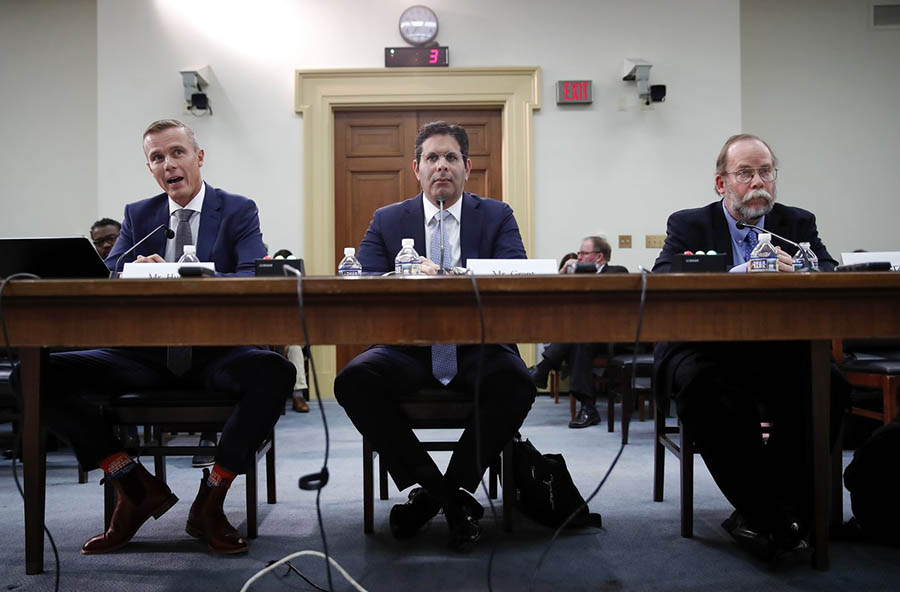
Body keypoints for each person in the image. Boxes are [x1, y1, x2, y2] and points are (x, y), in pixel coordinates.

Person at [30, 119, 295, 556]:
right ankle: (132, 484)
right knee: (34, 372)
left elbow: (250, 274)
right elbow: (110, 277)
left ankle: (211, 499)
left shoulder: (237, 209)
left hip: (215, 355)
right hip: (144, 356)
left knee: (275, 372)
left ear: (199, 157)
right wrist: (137, 271)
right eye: (157, 158)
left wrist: (183, 274)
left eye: (177, 152)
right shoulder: (140, 214)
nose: (168, 164)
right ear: (150, 169)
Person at [333, 121, 536, 551]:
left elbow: (512, 276)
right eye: (431, 158)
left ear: (467, 167)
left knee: (518, 382)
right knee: (354, 379)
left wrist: (447, 275)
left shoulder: (497, 215)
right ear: (416, 168)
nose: (441, 166)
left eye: (450, 158)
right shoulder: (387, 220)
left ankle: (436, 496)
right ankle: (445, 495)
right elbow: (364, 282)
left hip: (477, 347)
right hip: (406, 348)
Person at [652, 133, 848, 564]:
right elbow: (666, 277)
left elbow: (829, 271)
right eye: (745, 173)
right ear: (722, 184)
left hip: (776, 349)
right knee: (708, 392)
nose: (758, 182)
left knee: (829, 384)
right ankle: (773, 518)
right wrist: (740, 271)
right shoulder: (689, 224)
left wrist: (800, 269)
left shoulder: (797, 222)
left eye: (765, 172)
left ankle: (767, 512)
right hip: (704, 349)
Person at [530, 237, 628, 428]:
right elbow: (550, 296)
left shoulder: (616, 271)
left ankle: (543, 368)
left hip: (612, 338)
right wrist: (563, 273)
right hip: (585, 338)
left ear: (599, 257)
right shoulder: (576, 276)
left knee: (579, 334)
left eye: (584, 253)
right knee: (579, 339)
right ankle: (588, 409)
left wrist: (583, 273)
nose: (579, 257)